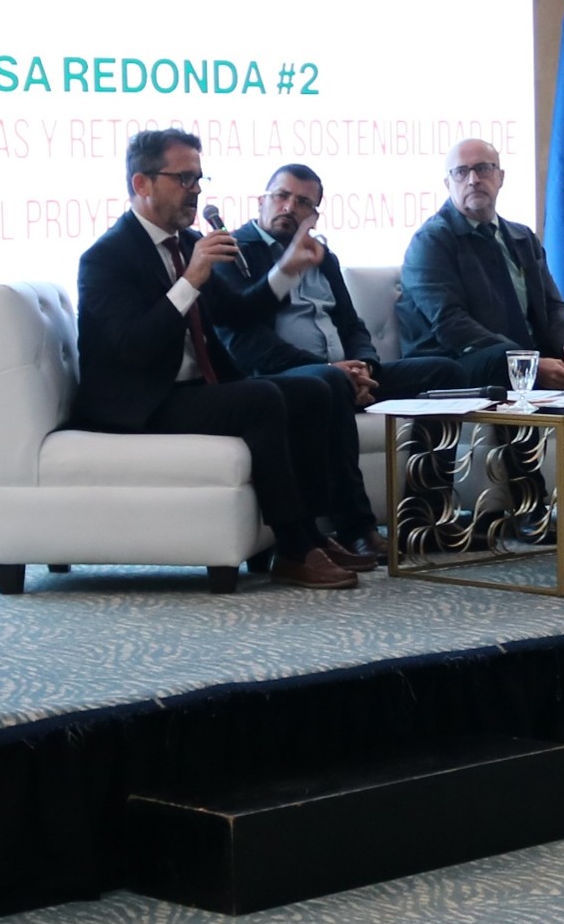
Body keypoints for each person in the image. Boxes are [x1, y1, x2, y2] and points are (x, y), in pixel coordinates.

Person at [72, 128, 374, 588]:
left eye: (199, 178)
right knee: (260, 401)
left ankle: (313, 533)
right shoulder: (106, 257)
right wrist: (190, 280)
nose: (195, 190)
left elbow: (237, 313)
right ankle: (292, 548)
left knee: (316, 389)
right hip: (140, 401)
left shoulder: (186, 241)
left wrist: (286, 271)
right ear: (142, 183)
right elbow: (133, 346)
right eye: (183, 178)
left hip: (194, 389)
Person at [206, 162, 486, 404]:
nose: (289, 207)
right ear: (260, 202)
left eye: (303, 202)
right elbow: (247, 342)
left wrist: (364, 366)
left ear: (314, 217)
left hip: (341, 373)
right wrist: (330, 368)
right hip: (285, 376)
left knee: (446, 372)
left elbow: (352, 326)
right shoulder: (233, 251)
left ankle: (420, 454)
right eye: (281, 196)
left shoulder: (323, 257)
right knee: (327, 380)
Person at [397, 136, 564, 386]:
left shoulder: (523, 237)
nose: (473, 180)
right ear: (448, 183)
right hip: (456, 361)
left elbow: (553, 306)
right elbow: (450, 324)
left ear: (500, 177)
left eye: (482, 168)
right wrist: (527, 362)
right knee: (498, 359)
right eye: (461, 172)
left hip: (525, 355)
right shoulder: (431, 241)